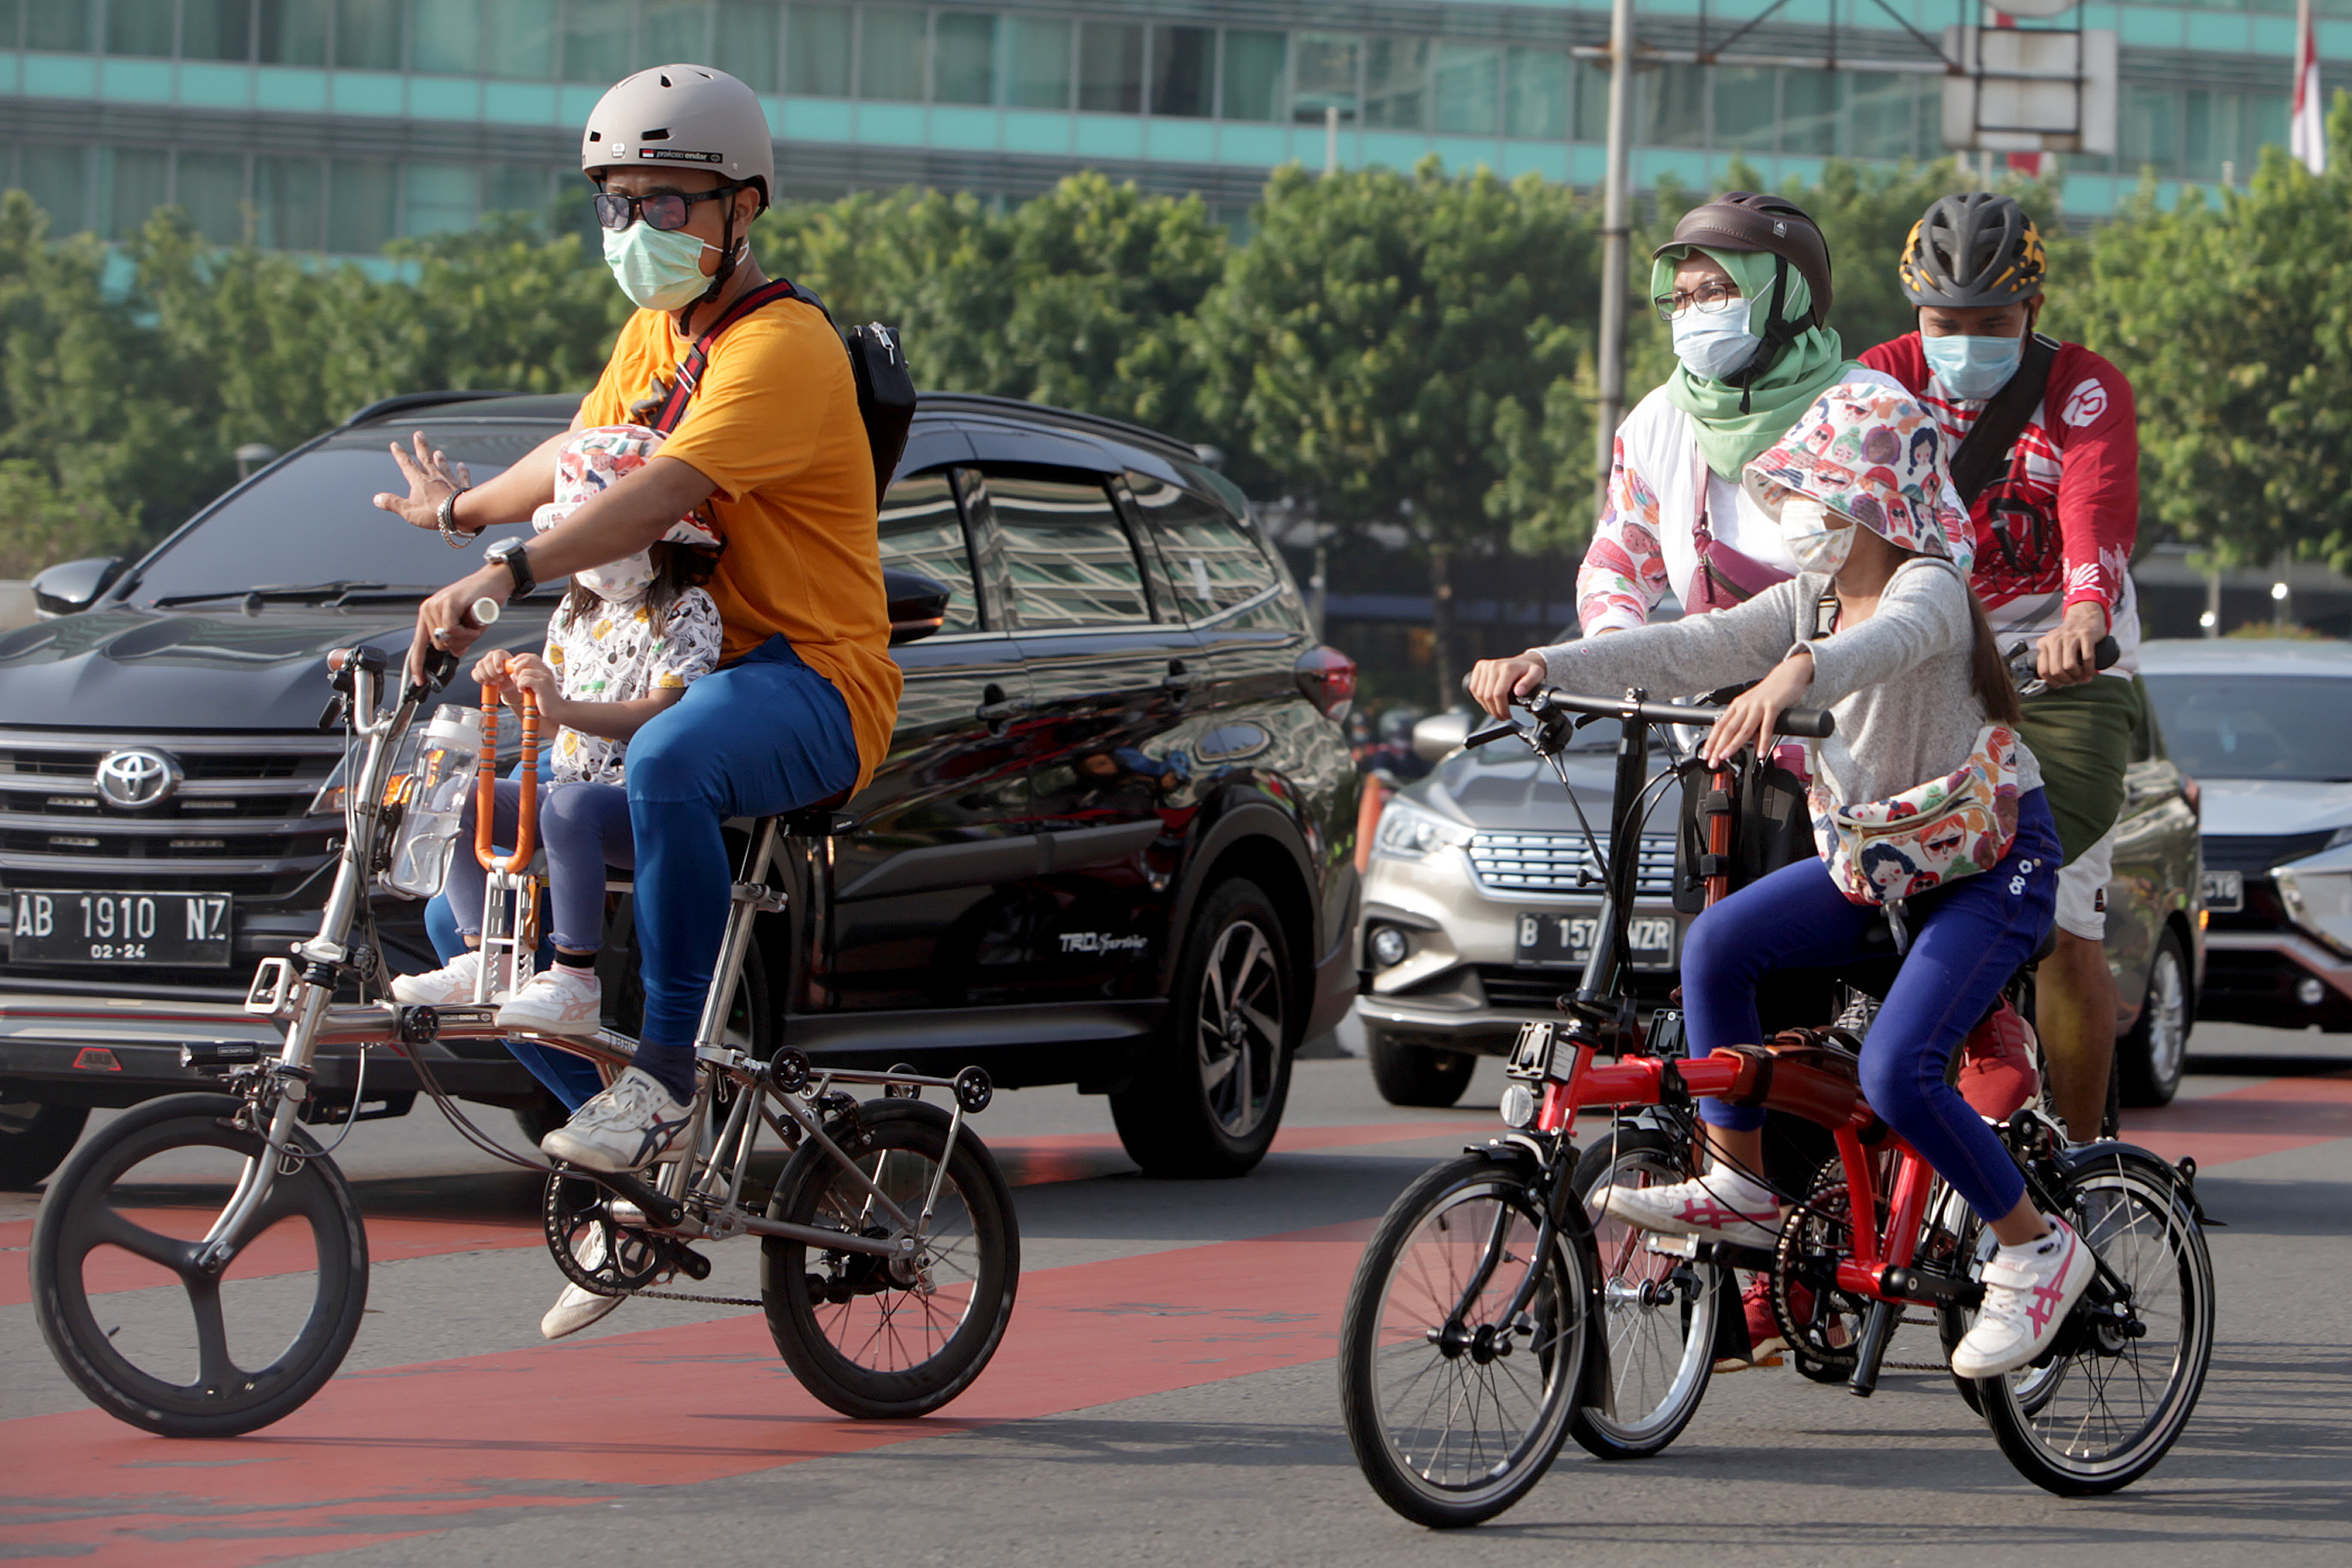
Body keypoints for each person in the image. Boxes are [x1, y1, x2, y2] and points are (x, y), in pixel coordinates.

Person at [1469, 385, 2093, 1380]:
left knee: (1897, 1071)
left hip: (1987, 867)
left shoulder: (1929, 582)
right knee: (1717, 945)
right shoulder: (1807, 597)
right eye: (1794, 489)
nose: (1798, 510)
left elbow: (1881, 646)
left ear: (1880, 501)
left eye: (1819, 491)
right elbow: (1690, 644)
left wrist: (1796, 673)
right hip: (1880, 863)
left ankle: (2036, 1244)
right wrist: (1548, 660)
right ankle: (1740, 1183)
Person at [376, 68, 899, 1186]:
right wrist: (461, 513)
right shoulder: (653, 333)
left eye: (666, 202)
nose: (636, 226)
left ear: (742, 209)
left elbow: (657, 492)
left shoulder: (783, 347)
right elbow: (581, 461)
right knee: (474, 890)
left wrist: (502, 570)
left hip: (802, 679)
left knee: (670, 755)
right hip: (681, 668)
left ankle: (666, 1081)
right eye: (618, 202)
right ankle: (634, 1163)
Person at [1859, 192, 2142, 1141]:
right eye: (1948, 323)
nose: (1968, 341)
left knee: (2064, 926)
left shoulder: (2085, 388)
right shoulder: (1878, 381)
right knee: (1894, 880)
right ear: (1913, 312)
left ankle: (2086, 1149)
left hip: (2064, 663)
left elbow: (2093, 514)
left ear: (2032, 309)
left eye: (1993, 325)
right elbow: (1845, 521)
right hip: (1933, 653)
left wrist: (2084, 614)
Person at [392, 429, 725, 1037]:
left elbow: (664, 715)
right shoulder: (573, 614)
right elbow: (547, 723)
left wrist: (562, 707)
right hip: (569, 787)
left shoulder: (687, 609)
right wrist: (520, 683)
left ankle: (575, 976)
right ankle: (482, 957)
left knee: (569, 808)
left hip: (636, 802)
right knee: (463, 798)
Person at [1576, 193, 1972, 637]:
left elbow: (1946, 559)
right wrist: (1612, 646)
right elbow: (1616, 567)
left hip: (1847, 690)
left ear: (1784, 297)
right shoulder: (1660, 419)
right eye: (1679, 298)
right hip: (1707, 697)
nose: (1691, 314)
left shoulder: (1869, 406)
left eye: (1715, 292)